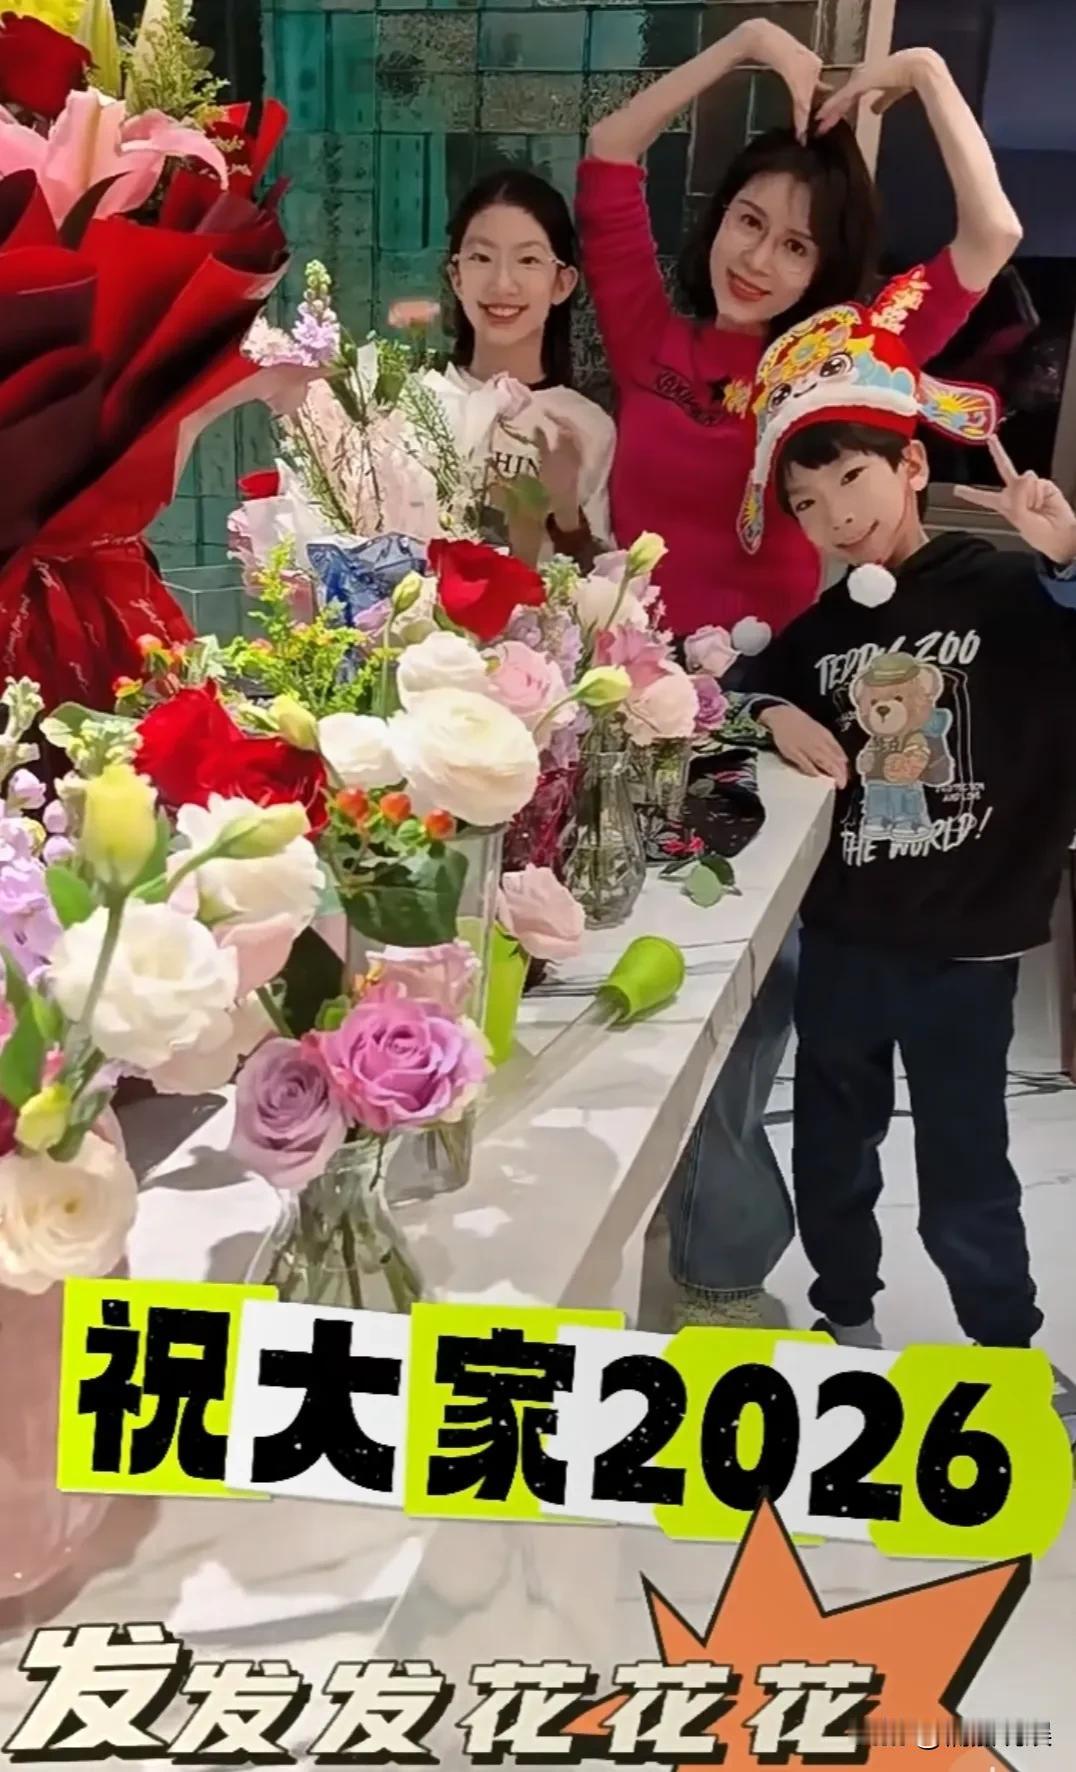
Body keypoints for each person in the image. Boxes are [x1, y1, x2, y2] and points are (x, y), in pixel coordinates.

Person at [579, 16, 1025, 1329]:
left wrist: (921, 73)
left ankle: (720, 1261)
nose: (760, 257)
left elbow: (991, 233)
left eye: (795, 244)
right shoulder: (648, 332)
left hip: (778, 717)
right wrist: (747, 48)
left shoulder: (842, 357)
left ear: (826, 272)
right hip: (622, 711)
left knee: (749, 1010)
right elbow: (609, 153)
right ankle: (622, 1243)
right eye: (748, 222)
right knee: (614, 988)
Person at [730, 298, 1076, 1428]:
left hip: (968, 950)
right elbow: (738, 691)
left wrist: (1065, 553)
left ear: (911, 464)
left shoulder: (1007, 588)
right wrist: (774, 709)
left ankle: (1005, 1351)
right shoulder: (822, 631)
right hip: (845, 939)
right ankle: (844, 1321)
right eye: (806, 502)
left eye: (852, 479)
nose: (836, 515)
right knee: (834, 1148)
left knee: (967, 1164)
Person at [390, 169, 615, 570]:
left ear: (562, 283)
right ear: (456, 277)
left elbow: (598, 583)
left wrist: (565, 509)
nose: (502, 283)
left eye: (528, 260)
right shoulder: (412, 401)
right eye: (481, 258)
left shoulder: (585, 426)